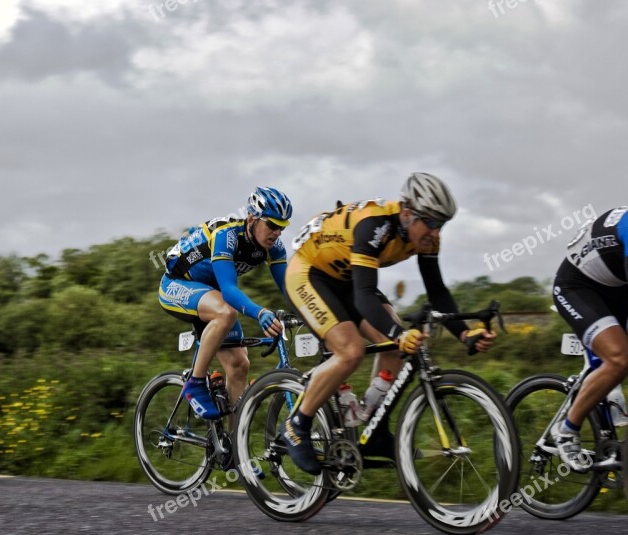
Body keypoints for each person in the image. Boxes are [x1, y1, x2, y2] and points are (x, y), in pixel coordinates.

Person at [280, 172, 497, 474]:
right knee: (351, 351)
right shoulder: (376, 226)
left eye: (442, 224)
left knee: (395, 349)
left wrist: (465, 334)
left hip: (347, 278)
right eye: (432, 223)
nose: (436, 233)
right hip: (309, 273)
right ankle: (297, 423)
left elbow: (437, 291)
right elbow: (365, 296)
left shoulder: (426, 238)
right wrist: (398, 333)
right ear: (407, 214)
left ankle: (376, 430)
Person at [158, 187, 293, 418]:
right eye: (271, 225)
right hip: (176, 284)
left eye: (282, 227)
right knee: (226, 312)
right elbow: (229, 290)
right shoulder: (227, 234)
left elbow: (291, 290)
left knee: (240, 365)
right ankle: (195, 383)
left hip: (212, 293)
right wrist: (260, 313)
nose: (277, 232)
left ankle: (231, 448)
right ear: (252, 218)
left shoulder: (274, 248)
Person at [551, 206, 628, 472]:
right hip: (578, 287)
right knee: (619, 359)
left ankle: (609, 433)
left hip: (617, 288)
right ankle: (567, 430)